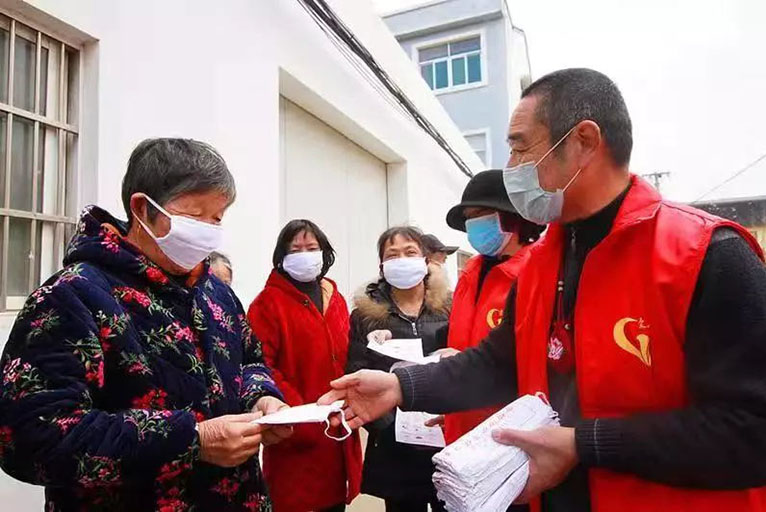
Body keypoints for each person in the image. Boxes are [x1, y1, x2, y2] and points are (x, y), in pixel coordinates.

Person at [321, 69, 766, 512]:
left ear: (584, 142)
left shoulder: (704, 255)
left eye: (520, 147)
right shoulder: (542, 264)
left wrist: (584, 445)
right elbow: (499, 363)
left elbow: (755, 430)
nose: (511, 168)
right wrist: (400, 385)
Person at [0, 138, 292, 511]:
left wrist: (261, 398)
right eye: (194, 215)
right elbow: (30, 437)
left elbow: (249, 360)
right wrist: (192, 440)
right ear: (142, 208)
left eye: (216, 218)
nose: (207, 230)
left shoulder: (215, 292)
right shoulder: (72, 297)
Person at [247, 220, 362, 512]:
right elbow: (261, 365)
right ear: (282, 257)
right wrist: (302, 417)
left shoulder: (335, 298)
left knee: (334, 503)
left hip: (338, 430)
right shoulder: (267, 303)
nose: (305, 255)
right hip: (295, 434)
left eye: (311, 248)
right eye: (295, 249)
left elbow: (348, 355)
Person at [346, 226, 451, 512]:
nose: (402, 260)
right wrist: (388, 426)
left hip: (447, 438)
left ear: (425, 260)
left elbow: (468, 363)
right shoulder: (365, 316)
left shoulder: (450, 308)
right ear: (382, 266)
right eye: (392, 255)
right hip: (394, 445)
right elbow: (355, 373)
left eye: (410, 252)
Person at [438, 169, 544, 445]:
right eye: (469, 217)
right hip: (462, 425)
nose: (473, 224)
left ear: (513, 218)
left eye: (482, 214)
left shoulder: (537, 274)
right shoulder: (470, 274)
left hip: (510, 433)